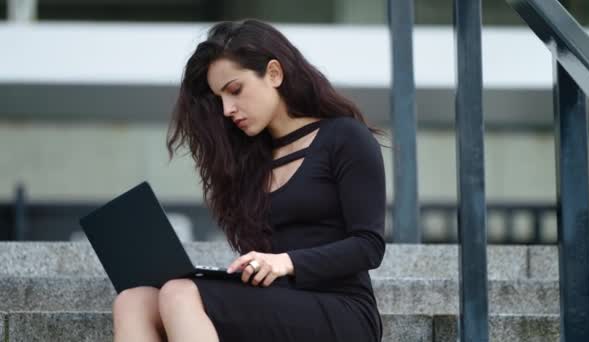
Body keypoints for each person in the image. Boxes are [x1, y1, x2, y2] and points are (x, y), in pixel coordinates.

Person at [112, 18, 387, 342]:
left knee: (179, 293)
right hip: (274, 303)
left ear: (274, 73)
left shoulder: (344, 137)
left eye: (235, 91)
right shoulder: (249, 162)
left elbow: (369, 247)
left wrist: (286, 263)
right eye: (220, 100)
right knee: (133, 300)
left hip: (342, 309)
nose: (228, 109)